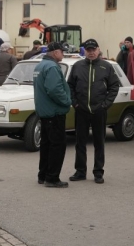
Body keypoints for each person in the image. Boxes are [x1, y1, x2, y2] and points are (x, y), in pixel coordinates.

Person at [68, 38, 120, 184]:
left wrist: (105, 104)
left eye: (93, 49)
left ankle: (98, 172)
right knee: (80, 142)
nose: (91, 52)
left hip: (99, 110)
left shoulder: (106, 66)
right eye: (88, 50)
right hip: (81, 110)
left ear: (98, 50)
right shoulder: (77, 66)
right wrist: (75, 103)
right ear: (85, 51)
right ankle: (80, 171)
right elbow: (70, 86)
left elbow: (114, 86)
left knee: (99, 142)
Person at [35, 42, 72, 188]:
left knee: (46, 145)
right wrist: (67, 101)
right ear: (55, 52)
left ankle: (43, 175)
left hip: (45, 112)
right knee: (57, 145)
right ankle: (52, 178)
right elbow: (54, 89)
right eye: (62, 51)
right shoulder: (52, 67)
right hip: (54, 112)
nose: (63, 54)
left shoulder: (40, 66)